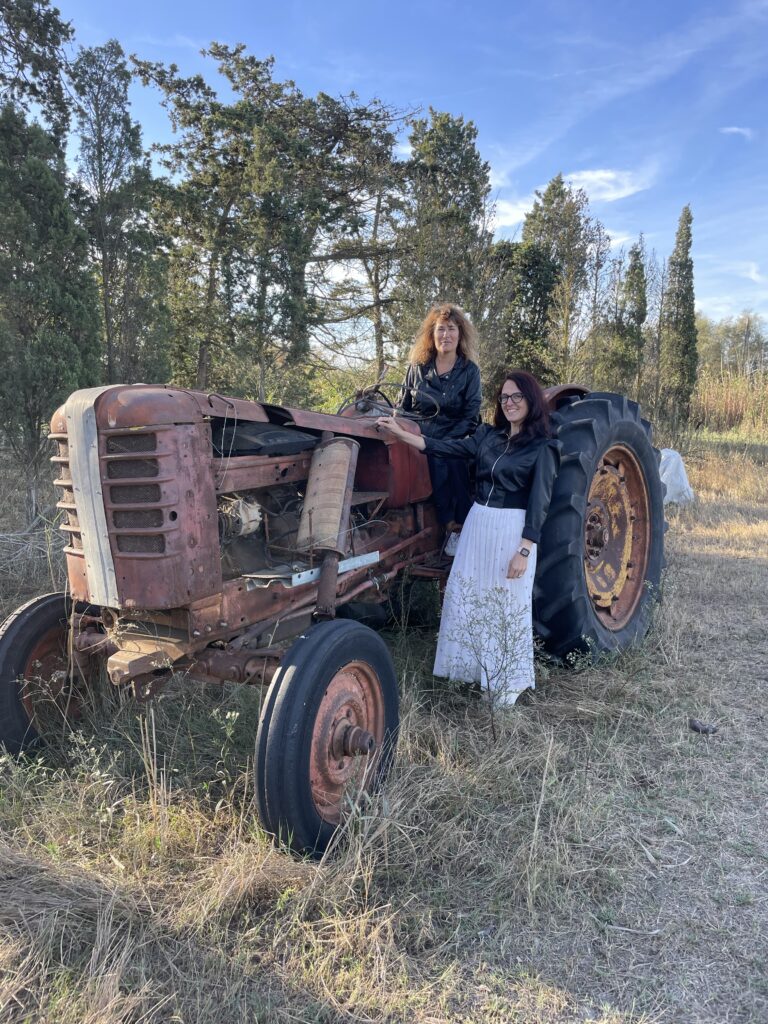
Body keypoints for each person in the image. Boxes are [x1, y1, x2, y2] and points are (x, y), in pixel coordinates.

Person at [378, 369, 560, 707]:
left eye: (516, 396)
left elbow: (540, 503)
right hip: (479, 524)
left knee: (506, 603)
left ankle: (505, 685)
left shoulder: (543, 447)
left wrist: (524, 550)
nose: (509, 403)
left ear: (531, 400)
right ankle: (475, 671)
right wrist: (403, 435)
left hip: (511, 529)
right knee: (472, 596)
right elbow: (444, 448)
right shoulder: (489, 437)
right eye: (504, 397)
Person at [398, 303, 482, 543]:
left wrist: (439, 442)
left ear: (460, 334)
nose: (446, 335)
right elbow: (402, 406)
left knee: (447, 459)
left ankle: (455, 526)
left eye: (452, 329)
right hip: (419, 432)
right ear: (432, 334)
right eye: (441, 329)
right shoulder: (417, 368)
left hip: (457, 434)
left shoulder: (469, 371)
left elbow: (471, 415)